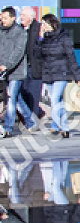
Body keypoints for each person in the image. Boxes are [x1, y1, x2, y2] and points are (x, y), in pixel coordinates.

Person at [36, 15, 80, 138]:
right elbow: (37, 54)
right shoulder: (45, 38)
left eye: (44, 24)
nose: (43, 26)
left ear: (51, 24)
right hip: (49, 73)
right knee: (58, 101)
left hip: (62, 72)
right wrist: (40, 37)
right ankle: (64, 127)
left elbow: (71, 57)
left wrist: (77, 76)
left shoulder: (64, 38)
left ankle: (55, 126)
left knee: (55, 99)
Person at [0, 7, 33, 136]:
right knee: (17, 98)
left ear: (13, 18)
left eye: (5, 18)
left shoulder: (20, 32)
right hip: (5, 71)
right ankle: (30, 122)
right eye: (1, 18)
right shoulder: (2, 31)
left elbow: (18, 53)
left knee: (11, 98)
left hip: (16, 71)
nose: (2, 20)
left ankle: (8, 128)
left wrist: (6, 65)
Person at [17, 8, 42, 132]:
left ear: (31, 17)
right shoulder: (20, 29)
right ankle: (31, 118)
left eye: (23, 15)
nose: (20, 17)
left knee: (33, 95)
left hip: (35, 68)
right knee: (23, 93)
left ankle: (33, 121)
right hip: (23, 69)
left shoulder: (39, 28)